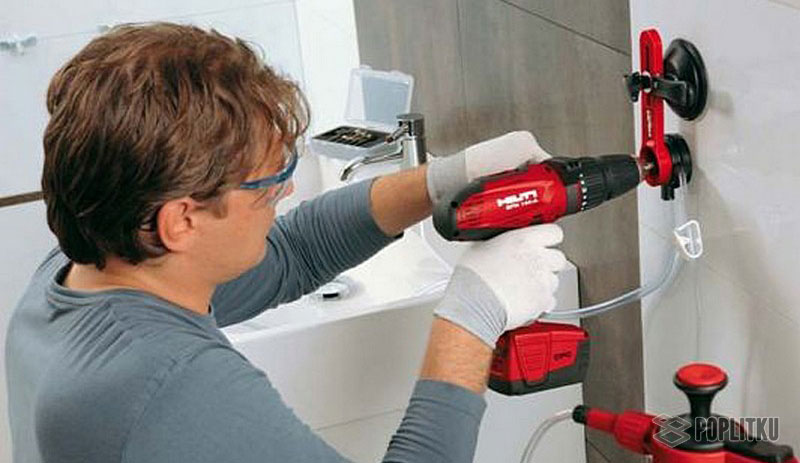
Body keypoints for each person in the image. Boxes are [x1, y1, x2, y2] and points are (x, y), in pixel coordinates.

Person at [5, 23, 566, 463]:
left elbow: (294, 252)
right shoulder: (172, 384)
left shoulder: (80, 270)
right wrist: (470, 319)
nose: (287, 189)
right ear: (181, 222)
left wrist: (442, 180)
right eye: (266, 183)